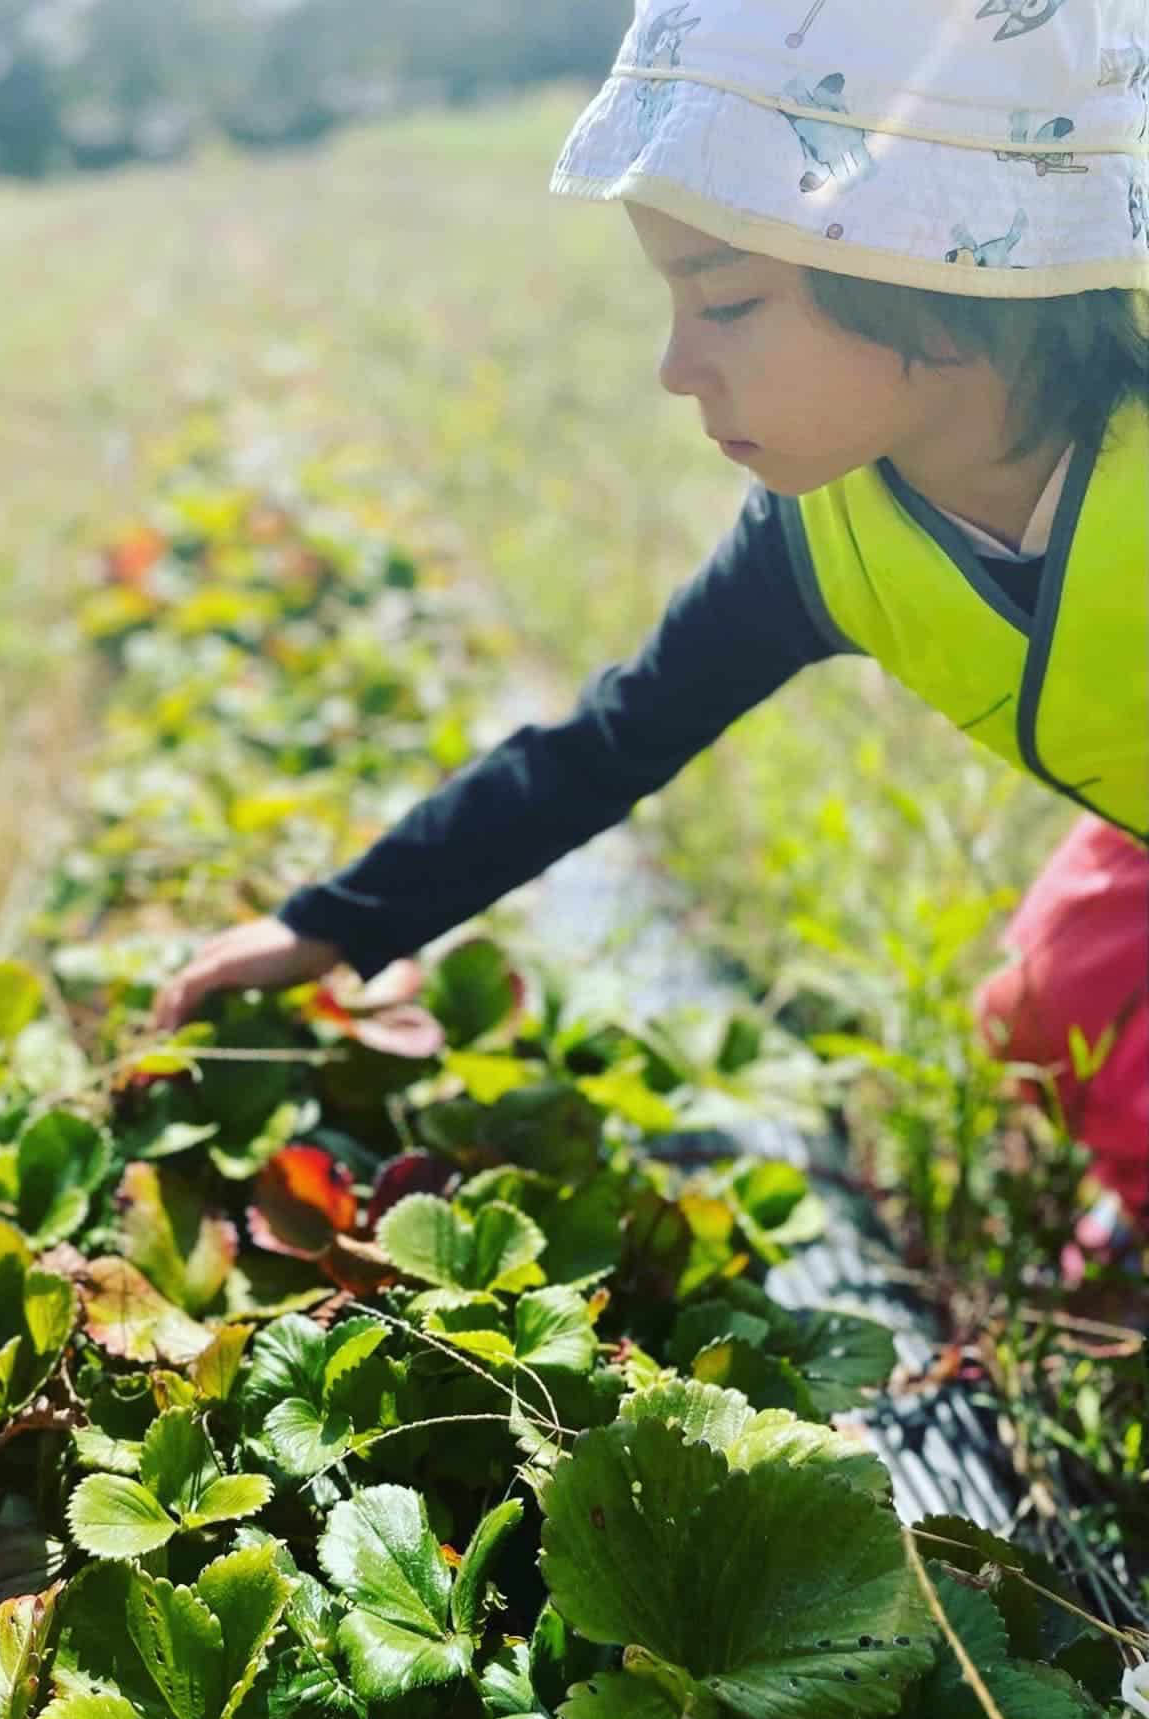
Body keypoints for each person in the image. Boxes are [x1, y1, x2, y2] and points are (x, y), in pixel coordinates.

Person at [155, 1, 1149, 1236]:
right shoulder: (821, 540)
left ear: (937, 270)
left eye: (725, 305)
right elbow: (609, 743)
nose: (678, 366)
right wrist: (333, 923)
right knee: (1045, 1013)